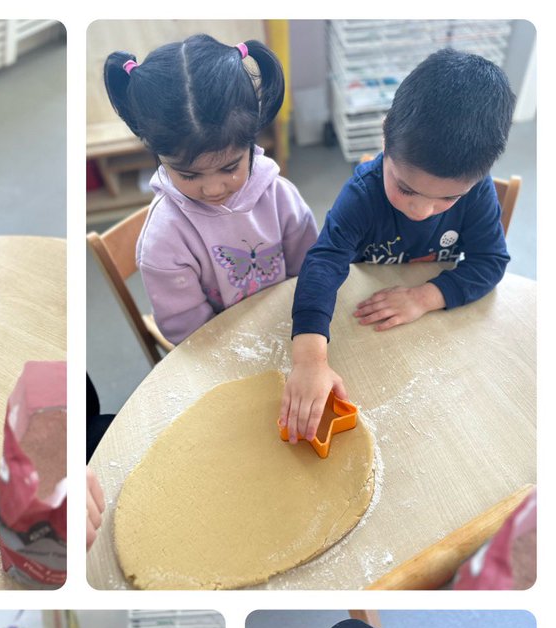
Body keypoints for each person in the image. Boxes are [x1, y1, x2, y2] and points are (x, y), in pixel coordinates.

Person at [282, 48, 516, 443]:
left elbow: (490, 261)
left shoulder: (476, 193)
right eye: (405, 187)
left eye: (447, 200)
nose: (422, 210)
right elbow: (324, 262)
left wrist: (426, 296)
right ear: (385, 134)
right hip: (363, 325)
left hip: (428, 340)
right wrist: (308, 359)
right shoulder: (362, 195)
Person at [103, 34, 317, 345]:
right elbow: (188, 332)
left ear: (251, 143)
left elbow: (309, 272)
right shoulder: (164, 240)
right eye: (189, 174)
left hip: (291, 328)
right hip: (220, 349)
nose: (214, 189)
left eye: (230, 168)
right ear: (159, 156)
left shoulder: (280, 196)